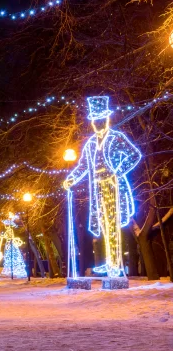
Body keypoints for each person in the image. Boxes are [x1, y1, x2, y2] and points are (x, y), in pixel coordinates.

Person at [63, 95, 142, 279]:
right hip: (97, 188)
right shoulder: (90, 144)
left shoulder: (116, 137)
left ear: (106, 119)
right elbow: (82, 166)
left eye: (100, 119)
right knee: (104, 227)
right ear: (92, 122)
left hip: (113, 187)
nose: (97, 123)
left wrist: (118, 172)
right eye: (95, 120)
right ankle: (111, 261)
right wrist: (71, 179)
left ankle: (115, 265)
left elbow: (134, 155)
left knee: (113, 225)